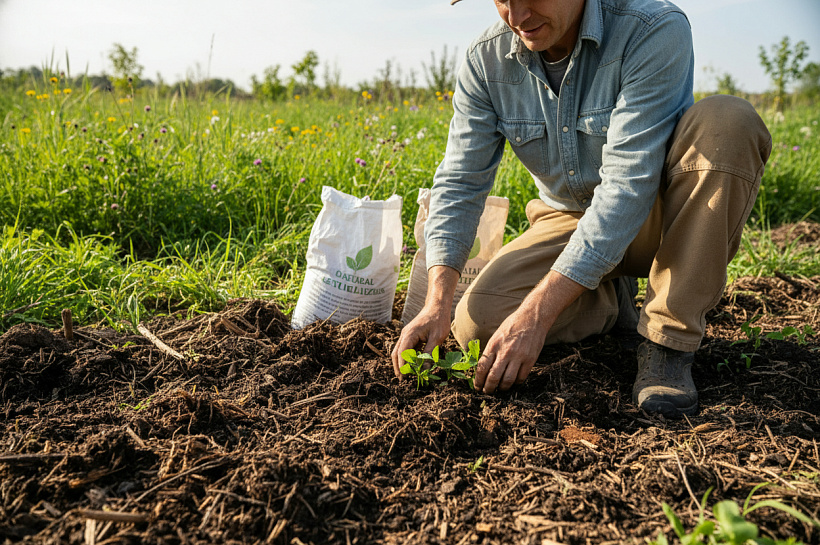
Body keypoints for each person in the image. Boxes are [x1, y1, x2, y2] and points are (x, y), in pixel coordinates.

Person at [391, 0, 772, 418]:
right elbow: (461, 180)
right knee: (478, 325)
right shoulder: (487, 60)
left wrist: (537, 314)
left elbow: (628, 185)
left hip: (660, 217)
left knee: (728, 121)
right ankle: (612, 298)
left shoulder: (652, 28)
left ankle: (668, 343)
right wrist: (437, 301)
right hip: (568, 217)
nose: (517, 17)